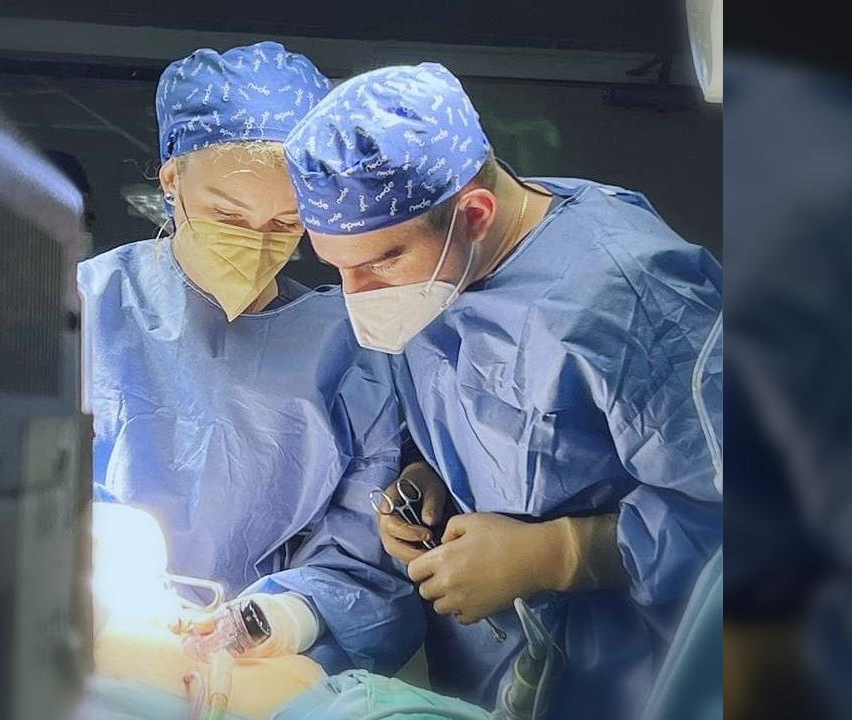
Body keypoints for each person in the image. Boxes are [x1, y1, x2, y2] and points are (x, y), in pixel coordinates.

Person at [281, 63, 723, 718]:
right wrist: (429, 477)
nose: (359, 295)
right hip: (496, 674)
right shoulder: (443, 270)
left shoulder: (629, 295)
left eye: (381, 261)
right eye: (337, 267)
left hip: (638, 682)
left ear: (475, 214)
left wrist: (558, 554)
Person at [77, 42, 424, 675]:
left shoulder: (349, 352)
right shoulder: (81, 308)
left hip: (255, 673)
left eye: (285, 224)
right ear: (172, 182)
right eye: (227, 215)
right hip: (83, 649)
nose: (255, 243)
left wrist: (282, 619)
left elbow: (367, 563)